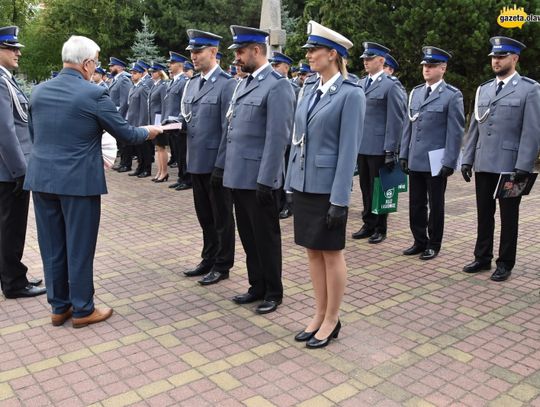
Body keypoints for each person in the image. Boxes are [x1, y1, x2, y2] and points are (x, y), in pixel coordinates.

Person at [24, 35, 162, 327]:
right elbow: (126, 134)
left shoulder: (38, 92)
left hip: (42, 179)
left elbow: (35, 137)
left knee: (51, 246)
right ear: (87, 63)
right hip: (78, 183)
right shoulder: (93, 94)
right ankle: (83, 310)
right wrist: (150, 131)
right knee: (79, 246)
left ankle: (59, 307)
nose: (96, 67)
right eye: (96, 62)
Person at [285, 21, 364, 349]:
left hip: (328, 187)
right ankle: (318, 313)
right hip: (304, 184)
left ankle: (332, 318)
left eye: (314, 50)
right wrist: (290, 183)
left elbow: (348, 151)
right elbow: (297, 141)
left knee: (332, 253)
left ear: (333, 54)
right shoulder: (308, 89)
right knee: (312, 252)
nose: (309, 56)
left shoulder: (351, 94)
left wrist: (340, 199)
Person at [216, 25, 295, 314]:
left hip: (260, 180)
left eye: (240, 52)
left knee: (266, 237)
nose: (236, 57)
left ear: (257, 51)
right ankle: (256, 286)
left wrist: (268, 180)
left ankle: (274, 291)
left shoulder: (278, 85)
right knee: (248, 237)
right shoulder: (244, 84)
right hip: (239, 177)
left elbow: (278, 138)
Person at [461, 36, 540, 282]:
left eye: (502, 56)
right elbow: (475, 126)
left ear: (514, 58)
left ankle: (505, 262)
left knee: (509, 216)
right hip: (484, 162)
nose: (496, 61)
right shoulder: (483, 89)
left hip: (511, 166)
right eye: (494, 57)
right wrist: (467, 159)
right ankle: (482, 257)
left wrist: (524, 166)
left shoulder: (529, 89)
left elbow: (532, 130)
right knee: (484, 213)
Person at [181, 29, 236, 286]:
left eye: (198, 51)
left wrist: (221, 164)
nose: (193, 56)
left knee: (222, 218)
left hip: (215, 163)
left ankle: (222, 264)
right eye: (191, 51)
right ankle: (208, 257)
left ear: (213, 52)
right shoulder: (193, 83)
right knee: (204, 215)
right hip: (197, 160)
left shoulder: (227, 84)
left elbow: (228, 129)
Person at [399, 46, 465, 260]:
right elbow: (408, 126)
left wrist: (450, 161)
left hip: (437, 159)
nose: (426, 69)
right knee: (416, 203)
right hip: (416, 156)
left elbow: (455, 132)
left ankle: (433, 243)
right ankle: (419, 240)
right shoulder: (416, 92)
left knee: (435, 204)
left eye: (432, 65)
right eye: (425, 65)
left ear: (443, 68)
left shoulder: (452, 96)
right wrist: (403, 154)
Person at [0, 25, 46, 299]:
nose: (18, 52)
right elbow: (5, 130)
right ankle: (15, 283)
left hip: (8, 168)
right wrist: (20, 171)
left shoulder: (7, 79)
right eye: (11, 47)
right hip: (9, 170)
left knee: (8, 226)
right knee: (11, 228)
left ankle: (12, 272)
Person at [352, 42, 406, 244]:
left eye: (370, 58)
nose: (366, 62)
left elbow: (396, 119)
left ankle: (380, 227)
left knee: (381, 189)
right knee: (365, 187)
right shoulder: (360, 84)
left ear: (381, 61)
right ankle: (368, 223)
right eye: (365, 59)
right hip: (362, 145)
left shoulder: (391, 85)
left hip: (380, 147)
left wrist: (391, 149)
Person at [162, 52, 189, 188]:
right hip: (171, 123)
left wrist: (178, 121)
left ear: (179, 65)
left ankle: (186, 179)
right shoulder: (174, 81)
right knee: (177, 152)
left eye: (172, 63)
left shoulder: (184, 81)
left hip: (179, 124)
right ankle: (180, 177)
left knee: (183, 153)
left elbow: (184, 103)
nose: (169, 66)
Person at [126, 62, 153, 178]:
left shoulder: (143, 88)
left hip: (140, 122)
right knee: (138, 148)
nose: (133, 75)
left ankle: (146, 169)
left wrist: (143, 125)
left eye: (135, 73)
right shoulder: (134, 87)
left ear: (142, 74)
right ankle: (139, 167)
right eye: (132, 73)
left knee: (144, 148)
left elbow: (144, 108)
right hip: (133, 121)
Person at [108, 57, 133, 172]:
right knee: (120, 141)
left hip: (121, 115)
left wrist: (119, 117)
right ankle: (123, 162)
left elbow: (124, 101)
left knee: (124, 141)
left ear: (119, 67)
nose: (110, 68)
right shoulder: (116, 79)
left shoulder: (124, 80)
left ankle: (126, 164)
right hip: (116, 114)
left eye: (112, 66)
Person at [147, 63, 168, 182]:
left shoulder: (163, 85)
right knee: (158, 147)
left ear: (159, 73)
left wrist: (162, 122)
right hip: (154, 120)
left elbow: (164, 104)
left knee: (161, 147)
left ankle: (164, 172)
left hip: (159, 120)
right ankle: (160, 171)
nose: (151, 73)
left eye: (154, 71)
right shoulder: (155, 85)